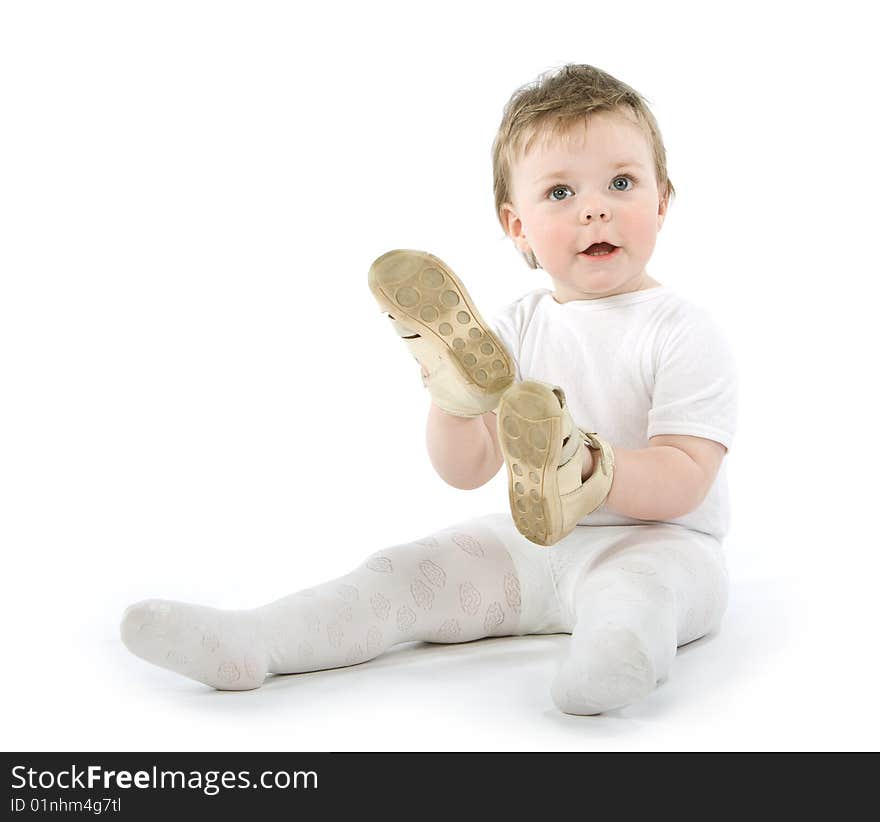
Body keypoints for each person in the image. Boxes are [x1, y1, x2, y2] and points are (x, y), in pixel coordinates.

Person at [120, 64, 737, 715]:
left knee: (636, 598)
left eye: (621, 182)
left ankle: (611, 667)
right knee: (406, 573)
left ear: (663, 200)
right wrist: (455, 402)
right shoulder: (514, 330)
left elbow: (686, 479)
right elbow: (464, 468)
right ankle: (255, 639)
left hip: (667, 547)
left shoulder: (684, 331)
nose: (594, 207)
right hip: (538, 547)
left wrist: (586, 467)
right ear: (516, 226)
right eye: (559, 192)